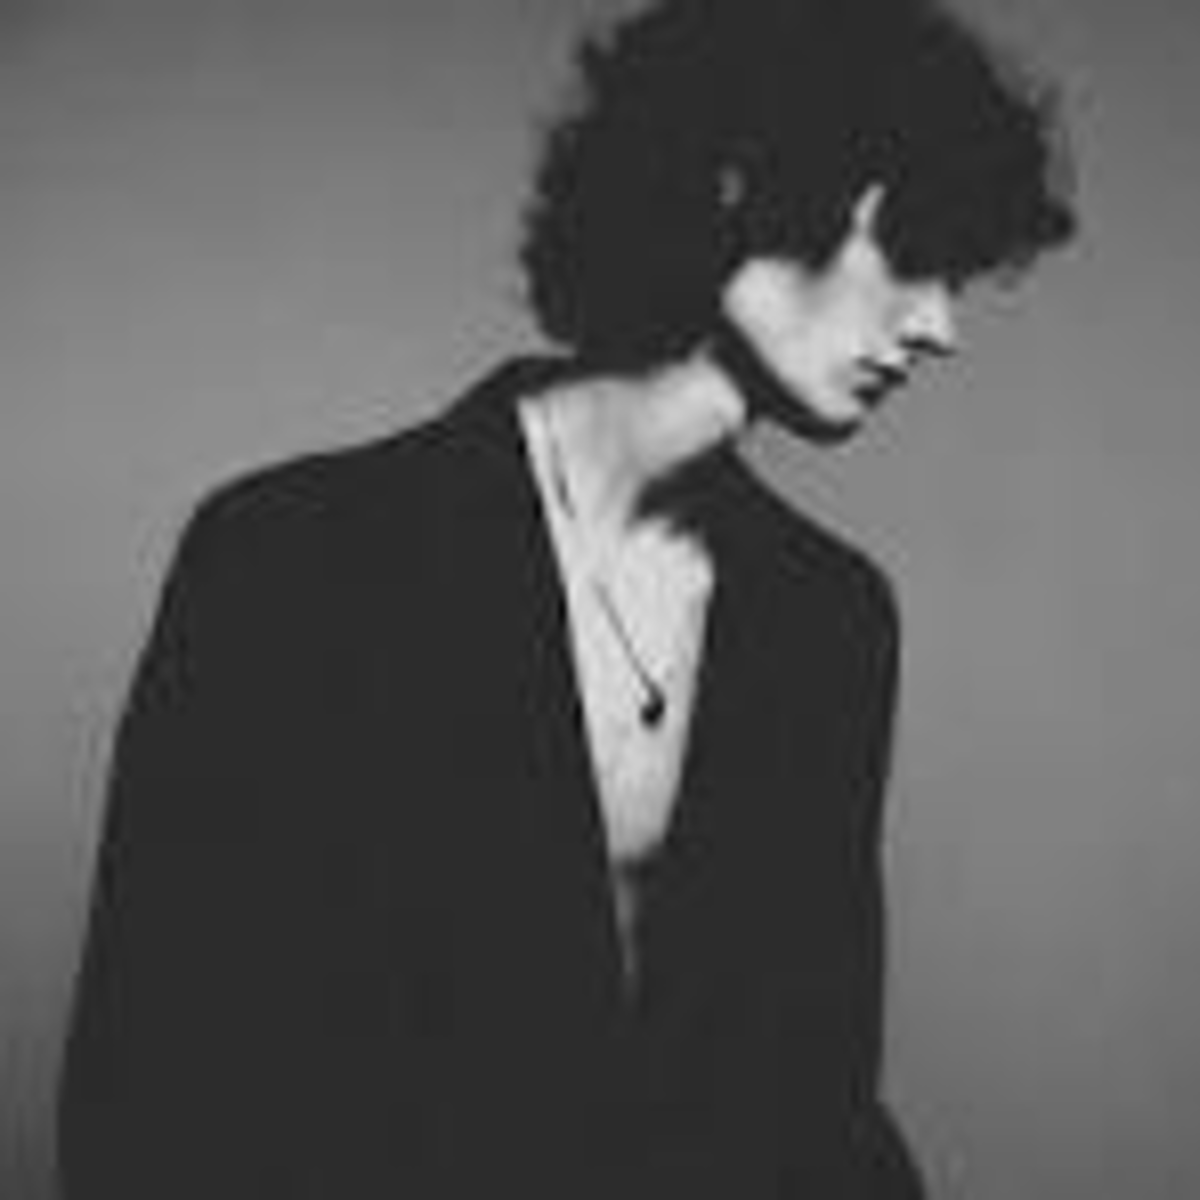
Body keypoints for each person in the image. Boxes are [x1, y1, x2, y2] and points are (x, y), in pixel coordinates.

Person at [56, 0, 1076, 1197]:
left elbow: (813, 1100)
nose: (941, 327)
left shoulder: (829, 624)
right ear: (746, 185)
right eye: (911, 252)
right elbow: (153, 1088)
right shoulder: (297, 561)